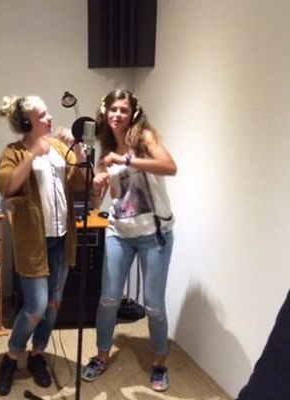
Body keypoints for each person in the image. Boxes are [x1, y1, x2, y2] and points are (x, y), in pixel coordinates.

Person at [0, 95, 100, 396]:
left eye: (48, 113)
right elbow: (6, 185)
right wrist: (32, 155)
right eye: (42, 115)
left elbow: (82, 183)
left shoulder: (59, 149)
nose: (50, 118)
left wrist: (77, 149)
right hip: (32, 242)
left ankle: (38, 353)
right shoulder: (13, 152)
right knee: (35, 307)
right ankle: (12, 356)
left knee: (53, 305)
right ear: (27, 123)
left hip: (62, 238)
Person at [81, 89, 177, 392]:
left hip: (155, 234)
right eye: (112, 109)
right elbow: (105, 200)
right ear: (104, 113)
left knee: (153, 306)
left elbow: (170, 167)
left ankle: (159, 363)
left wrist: (126, 159)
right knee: (108, 299)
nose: (117, 115)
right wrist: (96, 184)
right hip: (119, 233)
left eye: (123, 109)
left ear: (133, 113)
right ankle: (101, 355)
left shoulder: (143, 137)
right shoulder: (106, 147)